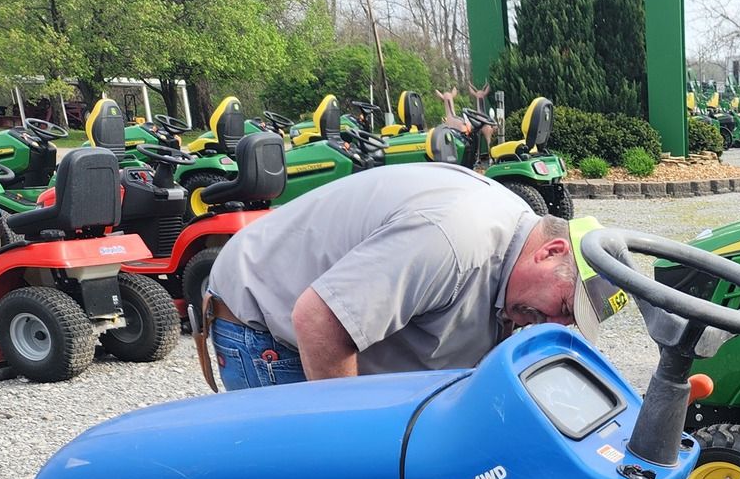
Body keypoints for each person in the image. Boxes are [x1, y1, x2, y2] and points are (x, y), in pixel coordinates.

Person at [197, 162, 622, 390]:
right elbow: (319, 320)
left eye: (567, 323)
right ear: (551, 251)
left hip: (319, 323)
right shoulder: (453, 239)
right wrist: (355, 448)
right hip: (272, 332)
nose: (551, 323)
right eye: (563, 307)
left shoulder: (512, 247)